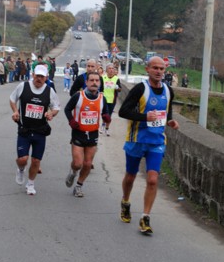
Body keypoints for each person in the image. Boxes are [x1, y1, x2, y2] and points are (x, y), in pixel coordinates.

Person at [118, 56, 179, 235]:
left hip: (157, 142)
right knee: (130, 177)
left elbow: (166, 113)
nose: (159, 71)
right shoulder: (140, 89)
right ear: (147, 69)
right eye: (155, 68)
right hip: (136, 140)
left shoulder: (169, 91)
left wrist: (171, 122)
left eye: (162, 69)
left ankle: (145, 217)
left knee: (153, 179)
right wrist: (145, 117)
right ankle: (125, 201)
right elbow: (123, 111)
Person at [9, 65, 60, 195]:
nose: (39, 79)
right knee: (23, 159)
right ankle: (21, 169)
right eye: (37, 76)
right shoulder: (23, 86)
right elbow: (12, 99)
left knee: (36, 160)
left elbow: (56, 107)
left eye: (42, 77)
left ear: (46, 78)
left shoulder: (49, 91)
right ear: (33, 75)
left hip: (40, 130)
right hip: (24, 129)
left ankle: (30, 184)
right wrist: (15, 111)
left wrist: (51, 114)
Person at [64, 72, 110, 197]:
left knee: (88, 164)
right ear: (87, 82)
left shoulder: (102, 98)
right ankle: (73, 172)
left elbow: (106, 113)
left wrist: (107, 118)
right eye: (92, 80)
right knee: (78, 163)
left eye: (97, 80)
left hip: (93, 134)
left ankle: (79, 186)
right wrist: (71, 121)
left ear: (100, 83)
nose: (94, 83)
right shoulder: (78, 96)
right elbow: (67, 109)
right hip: (78, 133)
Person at [101, 63, 121, 136]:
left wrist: (117, 88)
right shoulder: (103, 78)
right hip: (104, 99)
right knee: (104, 115)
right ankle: (103, 125)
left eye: (112, 68)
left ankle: (107, 128)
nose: (111, 70)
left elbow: (120, 89)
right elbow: (100, 88)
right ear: (106, 70)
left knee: (109, 116)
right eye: (109, 68)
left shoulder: (116, 79)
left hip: (112, 100)